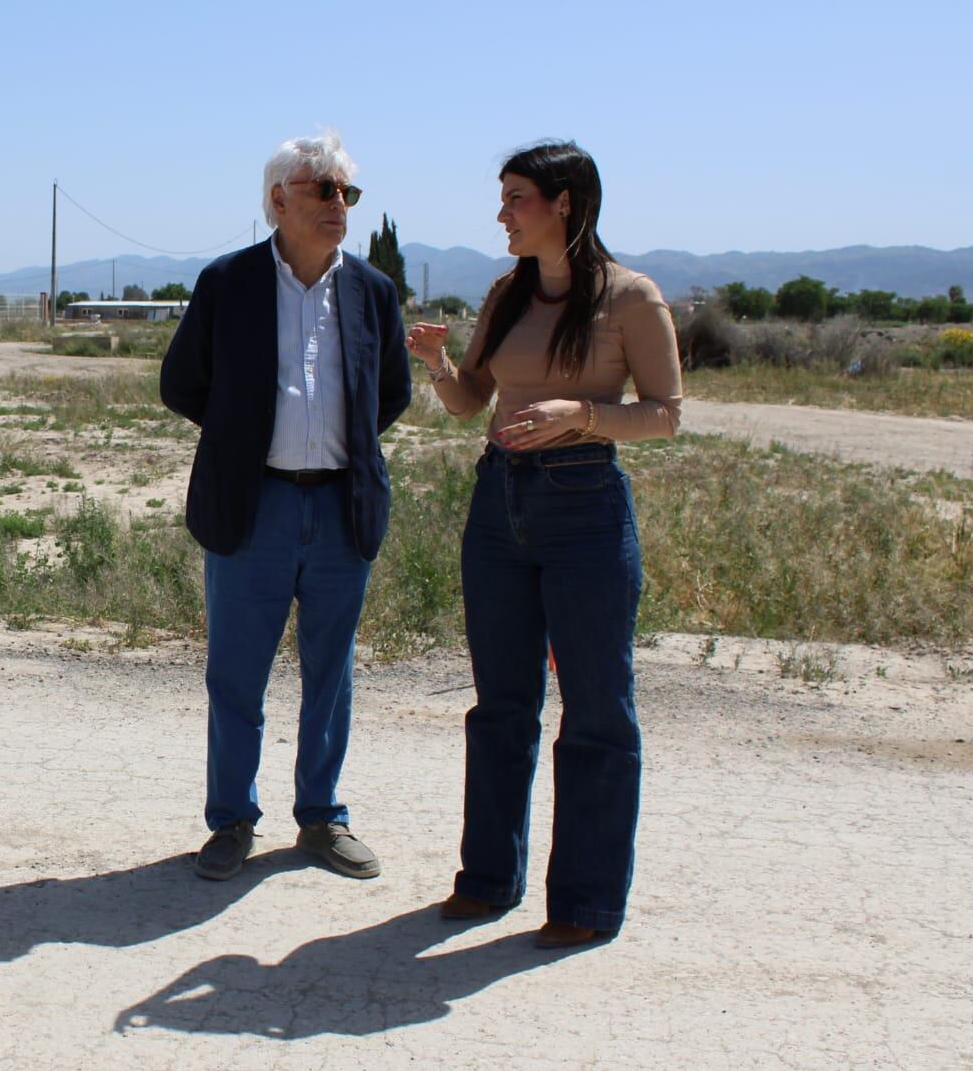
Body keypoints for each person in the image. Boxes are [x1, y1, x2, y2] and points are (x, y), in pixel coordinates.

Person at [405, 140, 682, 948]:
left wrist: (581, 414)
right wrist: (436, 361)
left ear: (565, 201)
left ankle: (585, 903)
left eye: (516, 197)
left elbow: (666, 412)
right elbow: (468, 402)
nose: (502, 213)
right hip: (500, 502)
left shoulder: (633, 298)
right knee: (501, 705)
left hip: (586, 503)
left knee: (596, 710)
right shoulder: (507, 292)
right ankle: (488, 880)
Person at [159, 130, 412, 883]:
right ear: (278, 199)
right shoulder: (228, 282)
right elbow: (182, 383)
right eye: (323, 190)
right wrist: (242, 437)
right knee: (236, 673)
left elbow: (389, 392)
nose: (340, 205)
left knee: (330, 672)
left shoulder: (371, 291)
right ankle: (232, 819)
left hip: (341, 508)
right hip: (253, 505)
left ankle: (321, 817)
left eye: (346, 193)